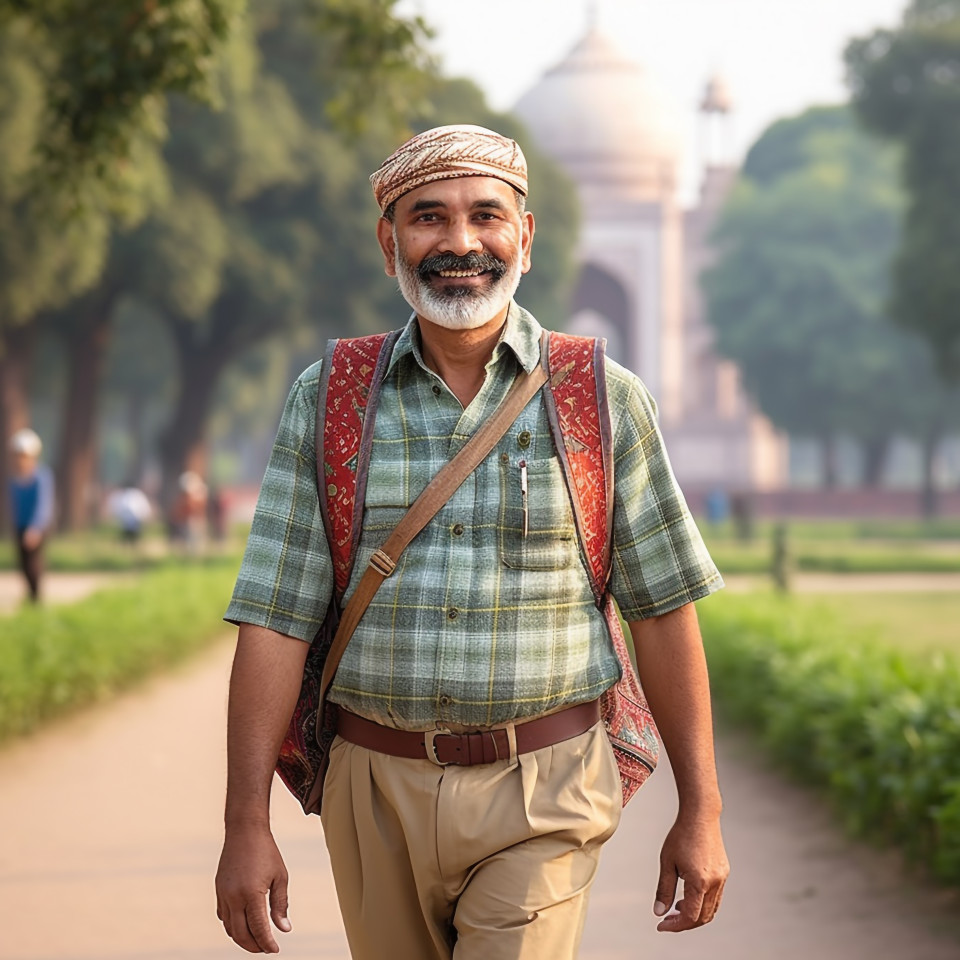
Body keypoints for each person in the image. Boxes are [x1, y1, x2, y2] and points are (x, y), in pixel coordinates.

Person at [216, 124, 730, 959]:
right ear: (390, 243)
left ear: (525, 239)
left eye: (486, 216)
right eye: (428, 218)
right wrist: (246, 826)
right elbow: (275, 616)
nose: (460, 243)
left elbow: (663, 609)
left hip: (548, 783)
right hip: (372, 784)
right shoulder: (333, 398)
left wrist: (701, 812)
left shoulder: (598, 399)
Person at [7, 428, 54, 603]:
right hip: (20, 525)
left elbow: (43, 504)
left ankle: (36, 598)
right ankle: (30, 596)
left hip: (37, 527)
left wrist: (35, 528)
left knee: (34, 563)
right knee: (22, 563)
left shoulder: (41, 477)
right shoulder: (15, 479)